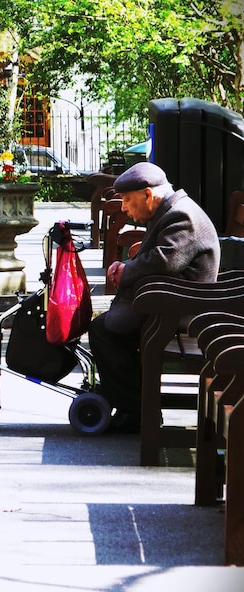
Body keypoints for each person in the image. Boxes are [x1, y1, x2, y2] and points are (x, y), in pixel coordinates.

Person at [88, 162, 221, 433]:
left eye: (127, 200)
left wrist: (126, 272)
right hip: (170, 302)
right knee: (105, 328)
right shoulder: (172, 210)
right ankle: (132, 403)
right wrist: (128, 268)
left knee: (103, 331)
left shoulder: (180, 216)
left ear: (147, 195)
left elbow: (164, 261)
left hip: (179, 310)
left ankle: (137, 411)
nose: (124, 208)